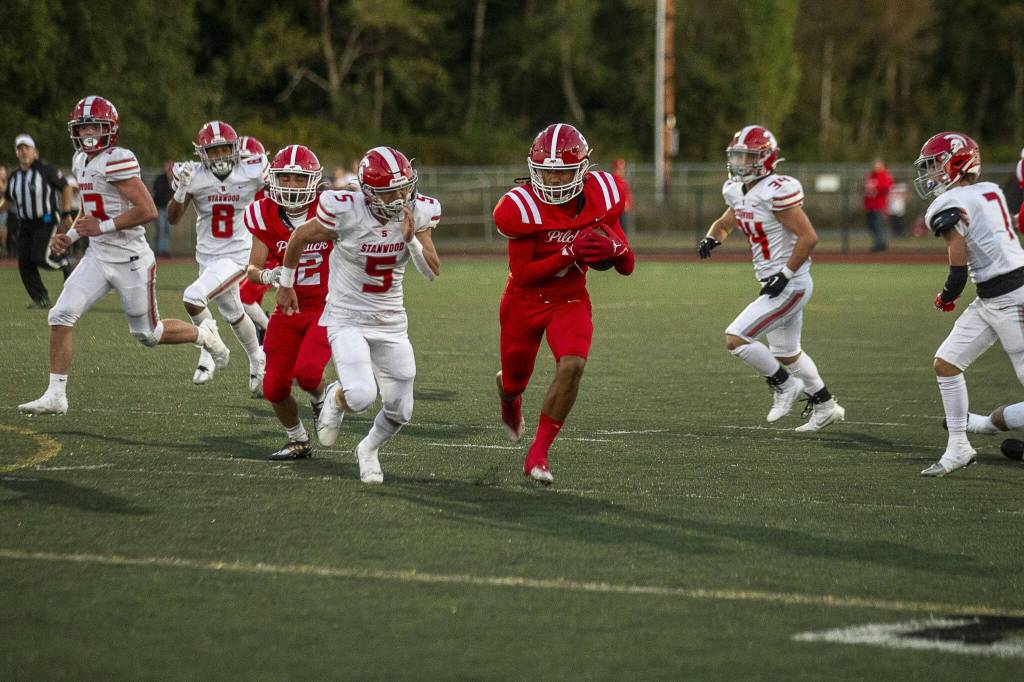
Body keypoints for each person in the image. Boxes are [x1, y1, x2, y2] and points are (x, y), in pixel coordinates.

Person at [18, 96, 230, 416]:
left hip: (130, 259)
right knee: (60, 314)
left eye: (94, 125)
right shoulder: (80, 160)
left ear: (109, 129)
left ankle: (205, 335)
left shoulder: (118, 159)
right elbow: (89, 211)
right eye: (83, 126)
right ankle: (56, 394)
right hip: (98, 256)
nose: (88, 132)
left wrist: (99, 227)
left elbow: (146, 211)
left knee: (149, 334)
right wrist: (72, 235)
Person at [277, 146, 441, 483]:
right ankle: (337, 397)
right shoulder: (346, 212)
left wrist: (411, 241)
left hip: (391, 321)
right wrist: (286, 282)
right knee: (362, 394)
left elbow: (431, 272)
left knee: (401, 410)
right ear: (367, 193)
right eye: (389, 191)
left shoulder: (418, 213)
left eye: (404, 187)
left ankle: (367, 449)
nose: (399, 197)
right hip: (347, 316)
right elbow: (299, 236)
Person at [492, 123, 635, 485]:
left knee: (572, 365)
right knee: (514, 381)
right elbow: (523, 274)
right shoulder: (520, 207)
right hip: (523, 302)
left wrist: (616, 248)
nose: (554, 181)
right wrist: (570, 251)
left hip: (569, 297)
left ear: (582, 170)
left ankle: (538, 453)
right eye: (547, 172)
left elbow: (626, 265)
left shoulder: (604, 194)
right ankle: (509, 398)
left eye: (562, 172)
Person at [697, 125, 844, 432]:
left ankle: (784, 385)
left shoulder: (776, 190)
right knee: (786, 352)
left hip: (790, 283)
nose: (739, 164)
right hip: (775, 281)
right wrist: (712, 237)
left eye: (746, 157)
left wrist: (785, 274)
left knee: (736, 338)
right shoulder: (738, 191)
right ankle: (826, 405)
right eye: (736, 157)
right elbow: (725, 223)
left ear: (765, 159)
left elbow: (809, 237)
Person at [914, 132, 1024, 477]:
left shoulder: (946, 203)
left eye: (935, 165)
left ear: (957, 163)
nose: (930, 174)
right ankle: (959, 446)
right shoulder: (990, 190)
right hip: (992, 295)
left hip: (1013, 296)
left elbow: (958, 262)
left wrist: (947, 293)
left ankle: (992, 424)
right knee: (946, 364)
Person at [243, 144, 332, 460]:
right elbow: (252, 270)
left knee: (308, 373)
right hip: (288, 308)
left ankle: (321, 397)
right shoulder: (262, 213)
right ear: (273, 179)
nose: (292, 185)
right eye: (285, 178)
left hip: (326, 304)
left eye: (298, 178)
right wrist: (271, 276)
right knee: (274, 387)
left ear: (313, 180)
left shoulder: (330, 208)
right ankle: (297, 439)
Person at [166, 121, 268, 395]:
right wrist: (180, 189)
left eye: (225, 150)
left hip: (236, 256)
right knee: (234, 312)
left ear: (235, 149)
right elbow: (173, 218)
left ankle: (213, 350)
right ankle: (258, 357)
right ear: (202, 154)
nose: (220, 156)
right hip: (207, 257)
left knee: (193, 297)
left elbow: (277, 193)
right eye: (213, 151)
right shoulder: (195, 175)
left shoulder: (252, 171)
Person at [3, 134, 75, 307]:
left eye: (27, 148)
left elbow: (65, 187)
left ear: (35, 151)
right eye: (20, 149)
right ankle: (41, 298)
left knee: (39, 257)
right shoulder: (14, 177)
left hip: (46, 219)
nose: (23, 152)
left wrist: (66, 213)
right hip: (26, 223)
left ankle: (66, 263)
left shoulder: (46, 170)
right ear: (16, 152)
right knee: (24, 263)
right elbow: (8, 201)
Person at [235, 135, 273, 342]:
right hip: (248, 248)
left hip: (267, 249)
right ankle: (264, 336)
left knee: (243, 298)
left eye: (249, 161)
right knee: (250, 300)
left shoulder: (265, 189)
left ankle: (270, 331)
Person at [863, 158, 893, 251]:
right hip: (870, 205)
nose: (875, 166)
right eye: (874, 164)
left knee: (878, 225)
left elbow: (887, 188)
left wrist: (876, 191)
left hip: (879, 205)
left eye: (877, 164)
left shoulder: (884, 175)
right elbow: (865, 188)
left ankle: (880, 244)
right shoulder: (871, 175)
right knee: (871, 225)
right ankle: (880, 242)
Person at [151, 161, 174, 257]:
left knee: (167, 230)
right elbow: (158, 192)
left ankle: (165, 250)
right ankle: (160, 250)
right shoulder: (160, 179)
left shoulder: (174, 180)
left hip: (169, 209)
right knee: (160, 229)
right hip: (160, 208)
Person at [610, 158, 635, 237]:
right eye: (619, 169)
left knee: (623, 232)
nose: (621, 171)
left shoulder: (623, 181)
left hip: (624, 210)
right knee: (617, 233)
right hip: (617, 211)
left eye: (622, 169)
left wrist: (629, 204)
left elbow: (627, 195)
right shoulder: (613, 181)